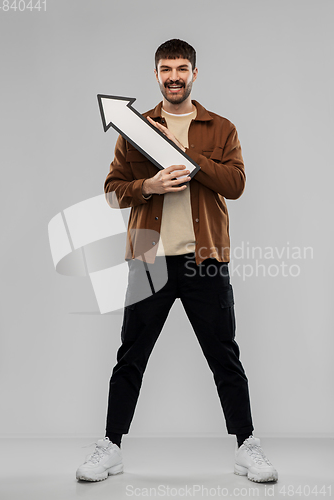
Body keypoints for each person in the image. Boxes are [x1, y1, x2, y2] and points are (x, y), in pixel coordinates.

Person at [76, 39, 278, 483]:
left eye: (182, 68)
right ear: (156, 75)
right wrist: (149, 185)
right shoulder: (135, 128)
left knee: (225, 355)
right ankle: (110, 447)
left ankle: (248, 447)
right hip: (149, 261)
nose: (174, 76)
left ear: (194, 74)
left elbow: (236, 183)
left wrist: (186, 158)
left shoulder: (220, 127)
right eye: (166, 69)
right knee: (131, 356)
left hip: (204, 260)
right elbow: (113, 191)